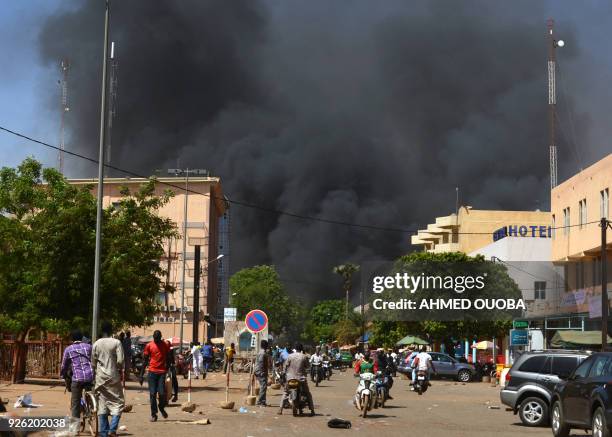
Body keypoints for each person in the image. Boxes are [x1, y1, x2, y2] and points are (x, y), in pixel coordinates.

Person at [92, 321, 124, 437]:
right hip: (113, 376)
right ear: (111, 331)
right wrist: (117, 367)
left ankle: (104, 432)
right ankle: (112, 429)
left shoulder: (96, 343)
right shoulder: (116, 342)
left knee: (102, 404)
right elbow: (120, 361)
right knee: (118, 402)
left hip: (100, 377)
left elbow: (93, 362)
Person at [60, 329, 94, 419]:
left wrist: (62, 374)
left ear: (72, 339)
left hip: (77, 378)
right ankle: (90, 407)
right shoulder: (89, 347)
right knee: (89, 389)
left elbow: (64, 365)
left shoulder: (68, 349)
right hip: (90, 376)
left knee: (75, 402)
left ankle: (76, 427)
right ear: (82, 338)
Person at [278, 343, 315, 416]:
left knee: (285, 392)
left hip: (290, 378)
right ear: (301, 349)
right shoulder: (304, 357)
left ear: (295, 348)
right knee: (307, 393)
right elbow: (307, 366)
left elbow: (285, 366)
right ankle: (312, 410)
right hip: (301, 379)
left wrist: (284, 373)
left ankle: (280, 409)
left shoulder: (290, 356)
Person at [143, 330, 171, 421]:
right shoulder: (149, 345)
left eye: (158, 338)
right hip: (152, 373)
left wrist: (168, 367)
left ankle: (161, 407)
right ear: (153, 337)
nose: (157, 340)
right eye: (155, 338)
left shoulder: (165, 345)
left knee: (162, 393)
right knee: (152, 394)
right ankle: (154, 414)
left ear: (160, 337)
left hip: (162, 372)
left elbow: (169, 356)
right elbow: (145, 360)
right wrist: (141, 374)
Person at [254, 339, 270, 407]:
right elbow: (261, 363)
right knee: (263, 387)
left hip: (260, 371)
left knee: (263, 387)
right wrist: (262, 372)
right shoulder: (263, 353)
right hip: (261, 372)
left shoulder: (261, 352)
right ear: (266, 346)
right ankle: (260, 401)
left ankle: (263, 401)